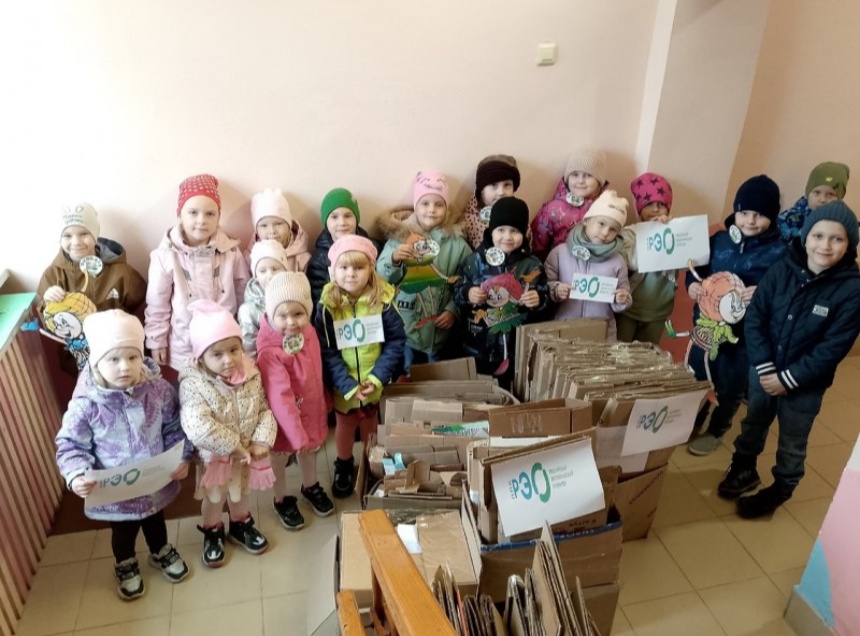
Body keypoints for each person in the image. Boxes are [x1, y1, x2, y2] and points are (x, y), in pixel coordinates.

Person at [718, 201, 860, 518]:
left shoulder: (852, 290)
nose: (825, 245)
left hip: (804, 385)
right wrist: (765, 367)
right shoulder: (782, 268)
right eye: (818, 235)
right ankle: (743, 468)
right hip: (763, 370)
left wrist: (788, 379)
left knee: (793, 440)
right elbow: (756, 317)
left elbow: (832, 347)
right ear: (806, 237)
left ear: (849, 244)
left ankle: (781, 487)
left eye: (837, 238)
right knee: (753, 422)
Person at [55, 310, 193, 601]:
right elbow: (70, 445)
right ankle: (126, 563)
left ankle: (160, 551)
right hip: (116, 494)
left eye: (132, 357)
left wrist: (181, 456)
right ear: (97, 361)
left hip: (154, 483)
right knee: (123, 532)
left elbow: (173, 425)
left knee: (156, 522)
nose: (124, 367)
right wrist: (76, 475)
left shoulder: (158, 390)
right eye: (113, 359)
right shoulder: (86, 405)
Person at [686, 175, 788, 456]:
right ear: (735, 211)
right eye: (744, 213)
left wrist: (763, 294)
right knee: (696, 377)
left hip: (745, 338)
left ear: (773, 216)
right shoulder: (718, 240)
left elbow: (785, 294)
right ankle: (691, 420)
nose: (750, 221)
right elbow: (695, 271)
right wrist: (692, 285)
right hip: (706, 328)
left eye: (760, 215)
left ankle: (717, 429)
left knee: (730, 386)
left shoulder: (780, 252)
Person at [179, 300, 277, 567]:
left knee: (241, 492)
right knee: (214, 497)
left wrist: (261, 439)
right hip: (216, 459)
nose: (229, 360)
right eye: (217, 354)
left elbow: (264, 408)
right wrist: (233, 446)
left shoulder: (251, 373)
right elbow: (197, 425)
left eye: (234, 350)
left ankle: (240, 523)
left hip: (244, 455)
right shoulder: (193, 383)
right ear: (201, 357)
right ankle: (212, 530)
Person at [315, 236, 406, 498]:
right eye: (343, 268)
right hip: (343, 384)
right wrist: (346, 385)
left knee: (370, 426)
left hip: (373, 381)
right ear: (333, 270)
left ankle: (370, 463)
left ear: (371, 269)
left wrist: (376, 378)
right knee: (344, 425)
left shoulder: (383, 301)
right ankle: (344, 464)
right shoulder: (327, 306)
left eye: (358, 267)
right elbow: (327, 350)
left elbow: (396, 341)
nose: (351, 274)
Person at [145, 174, 250, 373]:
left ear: (218, 216)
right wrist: (156, 340)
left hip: (224, 347)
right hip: (185, 346)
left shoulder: (231, 252)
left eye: (210, 214)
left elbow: (243, 295)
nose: (201, 221)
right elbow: (157, 302)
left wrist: (245, 333)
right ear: (180, 214)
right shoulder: (165, 255)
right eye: (193, 212)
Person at [256, 272, 334, 529]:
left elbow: (316, 370)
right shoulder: (270, 351)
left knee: (309, 451)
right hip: (284, 420)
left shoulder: (308, 332)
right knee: (280, 457)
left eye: (298, 313)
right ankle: (281, 498)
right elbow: (279, 397)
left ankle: (310, 485)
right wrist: (296, 434)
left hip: (309, 409)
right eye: (283, 316)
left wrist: (323, 399)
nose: (291, 322)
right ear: (271, 314)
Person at [377, 171, 471, 371]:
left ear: (447, 208)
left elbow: (467, 281)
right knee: (409, 375)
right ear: (415, 206)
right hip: (407, 328)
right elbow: (381, 277)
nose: (431, 210)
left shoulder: (457, 244)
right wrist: (394, 259)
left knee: (438, 377)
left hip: (441, 332)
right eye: (425, 203)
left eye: (439, 204)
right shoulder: (399, 237)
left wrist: (453, 310)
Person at [38, 203, 146, 373]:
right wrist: (48, 301)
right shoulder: (53, 275)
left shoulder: (121, 272)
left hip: (118, 355)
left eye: (84, 233)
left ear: (95, 234)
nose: (76, 242)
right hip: (79, 358)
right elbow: (48, 321)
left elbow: (138, 303)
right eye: (67, 235)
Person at [453, 197, 548, 389]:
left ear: (524, 232)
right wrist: (468, 293)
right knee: (478, 391)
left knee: (512, 390)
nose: (507, 236)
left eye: (515, 231)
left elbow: (545, 299)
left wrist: (539, 300)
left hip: (517, 347)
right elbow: (456, 291)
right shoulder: (474, 261)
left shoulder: (532, 265)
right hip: (478, 344)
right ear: (491, 230)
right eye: (501, 230)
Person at [546, 190, 632, 340]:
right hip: (564, 330)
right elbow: (545, 285)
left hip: (602, 333)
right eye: (601, 223)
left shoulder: (618, 261)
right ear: (586, 220)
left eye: (613, 229)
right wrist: (556, 290)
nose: (605, 232)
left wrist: (622, 299)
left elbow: (624, 292)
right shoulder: (560, 253)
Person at [617, 173, 679, 345]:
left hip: (658, 310)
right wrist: (652, 232)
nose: (656, 209)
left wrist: (671, 231)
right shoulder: (629, 233)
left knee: (647, 353)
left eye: (661, 205)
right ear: (639, 208)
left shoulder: (674, 230)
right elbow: (632, 262)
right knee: (619, 350)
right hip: (630, 307)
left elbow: (686, 261)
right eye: (649, 204)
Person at [307, 187, 380, 314]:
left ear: (356, 218)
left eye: (347, 216)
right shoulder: (319, 259)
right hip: (338, 316)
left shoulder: (374, 248)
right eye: (334, 217)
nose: (342, 222)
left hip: (371, 313)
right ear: (326, 222)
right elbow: (318, 300)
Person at [531, 146, 608, 260]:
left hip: (594, 265)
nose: (580, 181)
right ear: (567, 178)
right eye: (575, 175)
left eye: (588, 175)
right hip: (559, 264)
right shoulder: (553, 209)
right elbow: (538, 244)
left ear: (599, 181)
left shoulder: (607, 208)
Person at [238, 239, 289, 356]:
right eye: (262, 271)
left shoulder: (295, 295)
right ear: (256, 275)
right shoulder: (248, 310)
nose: (270, 275)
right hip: (265, 362)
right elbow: (250, 348)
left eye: (275, 269)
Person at [777, 161, 850, 242]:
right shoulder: (789, 218)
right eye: (817, 192)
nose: (822, 200)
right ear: (808, 193)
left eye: (830, 194)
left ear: (839, 199)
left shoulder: (843, 222)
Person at [462, 155, 521, 249]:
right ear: (482, 189)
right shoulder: (467, 223)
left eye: (507, 185)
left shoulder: (520, 216)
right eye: (494, 185)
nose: (501, 192)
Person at [245, 187, 311, 272]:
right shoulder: (249, 257)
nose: (272, 231)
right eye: (264, 225)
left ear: (289, 226)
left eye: (278, 224)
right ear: (256, 230)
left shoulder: (302, 258)